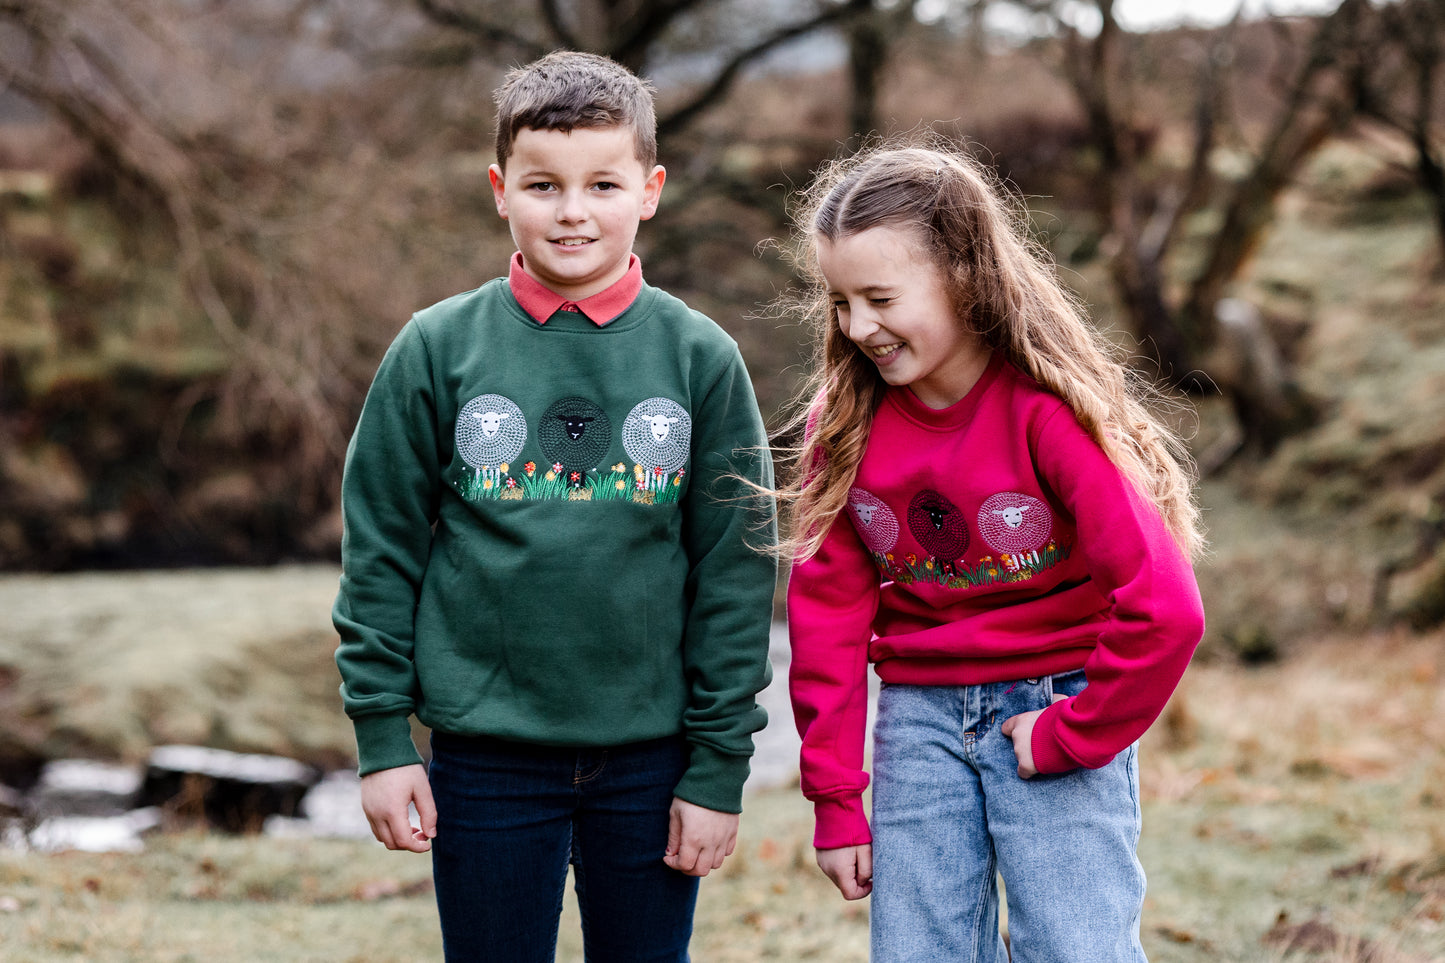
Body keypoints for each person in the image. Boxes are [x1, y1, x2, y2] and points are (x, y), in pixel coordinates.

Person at [332, 50, 777, 962]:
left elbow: (734, 573)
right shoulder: (435, 348)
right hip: (485, 758)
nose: (572, 211)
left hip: (652, 760)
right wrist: (383, 739)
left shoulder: (701, 358)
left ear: (649, 190)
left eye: (602, 184)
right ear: (501, 190)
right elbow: (379, 546)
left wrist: (718, 764)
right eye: (543, 184)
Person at [778, 143, 1207, 962]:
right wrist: (836, 797)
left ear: (964, 278)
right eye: (839, 301)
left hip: (1054, 704)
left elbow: (1165, 608)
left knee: (1073, 949)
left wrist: (1073, 734)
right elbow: (826, 617)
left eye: (879, 297)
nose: (857, 326)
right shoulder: (842, 424)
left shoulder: (1046, 415)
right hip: (917, 722)